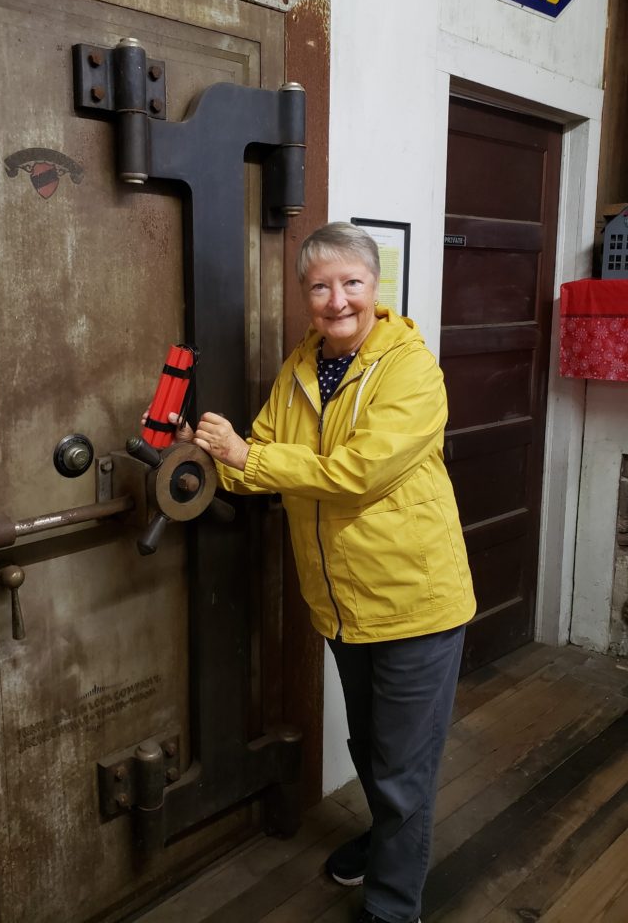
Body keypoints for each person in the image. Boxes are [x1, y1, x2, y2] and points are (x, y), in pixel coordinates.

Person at [173, 221, 476, 923]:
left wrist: (250, 459)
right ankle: (386, 844)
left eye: (351, 283)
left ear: (376, 287)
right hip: (343, 604)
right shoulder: (305, 364)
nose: (336, 299)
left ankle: (394, 906)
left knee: (404, 767)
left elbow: (358, 475)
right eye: (319, 286)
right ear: (305, 296)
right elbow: (267, 457)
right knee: (371, 748)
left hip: (414, 601)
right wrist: (213, 455)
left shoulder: (411, 369)